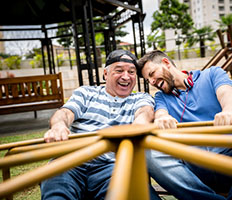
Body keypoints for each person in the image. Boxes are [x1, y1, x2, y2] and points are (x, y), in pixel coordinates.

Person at [137, 50, 232, 200]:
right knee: (148, 154)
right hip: (194, 170)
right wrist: (162, 117)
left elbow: (226, 93)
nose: (151, 82)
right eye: (147, 79)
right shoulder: (161, 97)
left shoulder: (212, 74)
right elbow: (161, 113)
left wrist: (229, 110)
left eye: (151, 74)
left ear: (166, 63)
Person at [41, 49, 160, 200]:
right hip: (69, 161)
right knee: (56, 195)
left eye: (131, 72)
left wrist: (139, 125)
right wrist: (59, 126)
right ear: (105, 74)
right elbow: (65, 113)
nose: (126, 76)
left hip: (111, 166)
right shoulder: (86, 93)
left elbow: (145, 113)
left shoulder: (140, 98)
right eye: (119, 70)